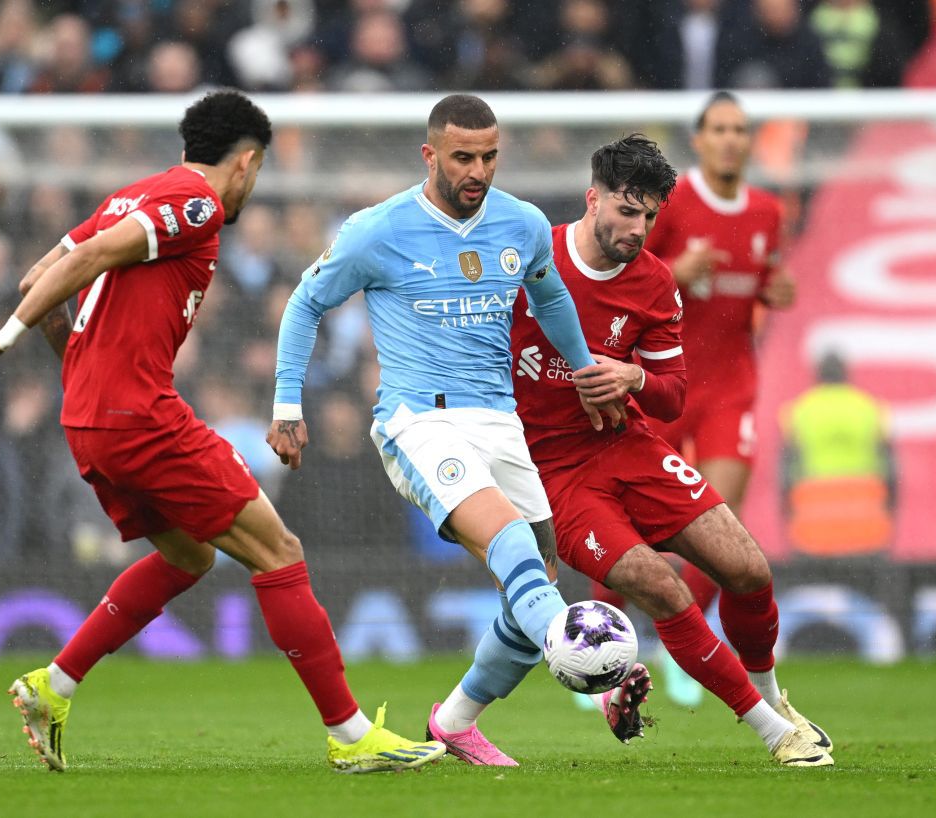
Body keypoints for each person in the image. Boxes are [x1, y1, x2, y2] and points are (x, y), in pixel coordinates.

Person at [0, 89, 444, 775]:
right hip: (140, 418)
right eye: (256, 173)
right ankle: (351, 736)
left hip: (90, 419)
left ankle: (53, 686)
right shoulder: (198, 206)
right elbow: (81, 266)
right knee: (278, 549)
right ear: (247, 163)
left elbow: (40, 274)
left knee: (191, 558)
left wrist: (86, 374)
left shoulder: (130, 193)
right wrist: (1, 341)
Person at [430, 134, 833, 768]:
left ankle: (774, 699)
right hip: (549, 472)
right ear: (593, 199)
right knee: (659, 587)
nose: (637, 227)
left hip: (629, 448)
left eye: (649, 215)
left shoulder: (654, 282)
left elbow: (672, 397)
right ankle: (773, 734)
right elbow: (463, 348)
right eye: (627, 210)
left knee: (750, 570)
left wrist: (633, 377)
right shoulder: (529, 257)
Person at [267, 93, 629, 767]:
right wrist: (288, 405)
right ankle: (598, 670)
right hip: (417, 419)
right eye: (464, 157)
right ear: (430, 155)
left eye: (490, 156)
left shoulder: (520, 223)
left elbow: (549, 295)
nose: (478, 171)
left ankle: (455, 720)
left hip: (498, 421)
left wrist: (584, 374)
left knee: (537, 582)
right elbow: (306, 302)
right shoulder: (379, 229)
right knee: (513, 544)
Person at [635, 91, 796, 704]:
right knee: (638, 528)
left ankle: (683, 643)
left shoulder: (767, 211)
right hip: (667, 382)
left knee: (721, 522)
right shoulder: (673, 204)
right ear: (699, 140)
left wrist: (774, 290)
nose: (731, 139)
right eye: (719, 129)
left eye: (740, 129)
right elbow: (628, 275)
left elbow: (760, 281)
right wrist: (674, 269)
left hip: (732, 385)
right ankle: (605, 636)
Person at [780, 351, 896, 559]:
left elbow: (785, 475)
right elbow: (892, 472)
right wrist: (890, 513)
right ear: (846, 374)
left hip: (812, 529)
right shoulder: (871, 408)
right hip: (867, 528)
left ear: (818, 375)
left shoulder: (798, 411)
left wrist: (788, 517)